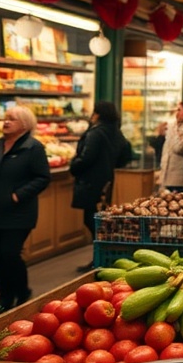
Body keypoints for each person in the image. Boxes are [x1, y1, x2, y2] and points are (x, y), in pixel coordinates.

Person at [0, 106, 51, 313]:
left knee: (9, 253)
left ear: (25, 125)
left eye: (12, 119)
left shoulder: (33, 147)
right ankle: (5, 296)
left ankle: (22, 292)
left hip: (19, 212)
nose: (6, 122)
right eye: (6, 118)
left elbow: (42, 178)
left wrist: (18, 195)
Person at [70, 101, 131, 271]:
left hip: (91, 181)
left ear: (97, 114)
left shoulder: (95, 133)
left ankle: (99, 257)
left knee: (92, 220)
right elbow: (126, 155)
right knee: (100, 220)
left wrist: (74, 166)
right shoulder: (116, 132)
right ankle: (102, 256)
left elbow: (86, 157)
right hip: (106, 181)